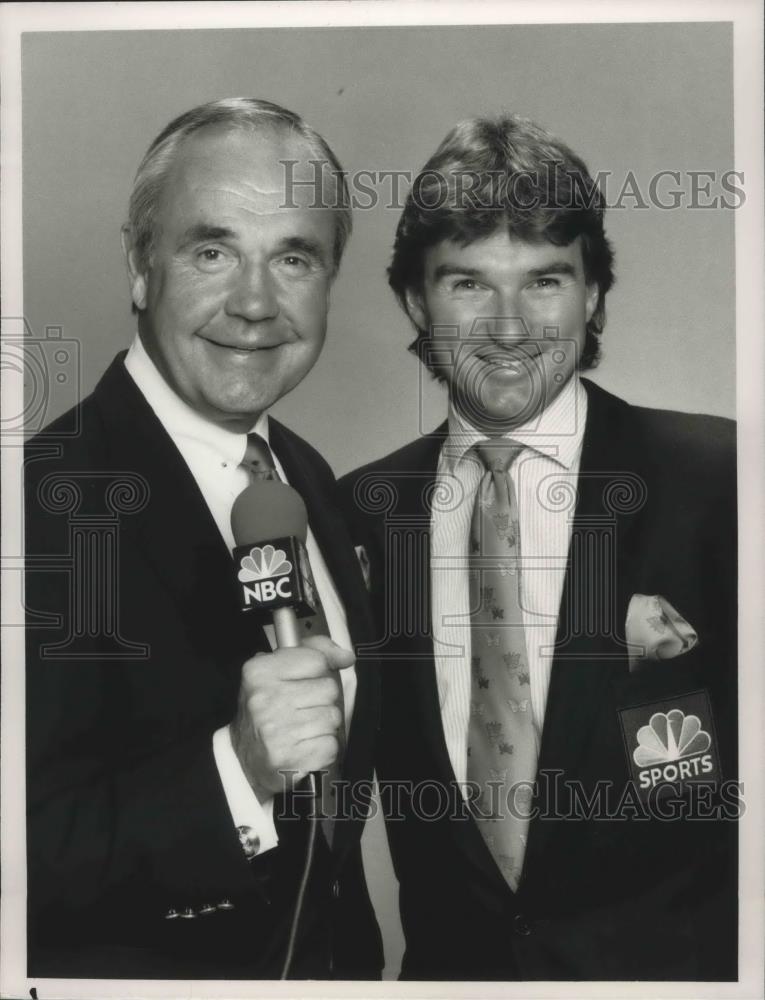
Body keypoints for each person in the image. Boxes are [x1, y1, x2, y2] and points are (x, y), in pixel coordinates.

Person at [339, 114, 737, 981]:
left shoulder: (720, 483)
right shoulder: (356, 516)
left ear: (594, 293)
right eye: (468, 285)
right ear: (415, 299)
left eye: (545, 280)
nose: (510, 329)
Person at [24, 98, 382, 980]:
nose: (255, 304)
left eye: (293, 257)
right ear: (140, 265)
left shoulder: (307, 481)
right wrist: (237, 770)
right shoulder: (38, 505)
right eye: (212, 251)